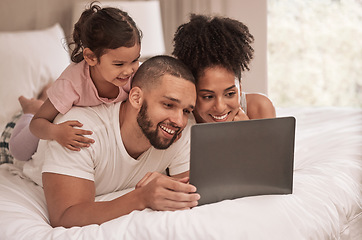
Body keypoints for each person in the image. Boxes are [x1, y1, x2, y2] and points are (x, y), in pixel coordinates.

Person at [23, 55, 200, 228]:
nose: (179, 121)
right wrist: (141, 197)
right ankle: (31, 108)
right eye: (168, 105)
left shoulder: (180, 134)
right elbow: (64, 216)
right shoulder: (80, 131)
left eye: (186, 111)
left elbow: (191, 193)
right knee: (23, 128)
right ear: (136, 98)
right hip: (29, 145)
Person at [29, 2, 142, 152]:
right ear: (90, 57)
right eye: (119, 64)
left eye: (134, 60)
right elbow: (36, 123)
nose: (129, 71)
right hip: (31, 121)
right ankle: (28, 108)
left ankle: (41, 98)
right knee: (21, 149)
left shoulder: (137, 75)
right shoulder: (71, 84)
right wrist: (57, 132)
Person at [172, 14, 276, 123]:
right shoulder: (181, 119)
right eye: (208, 97)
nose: (220, 107)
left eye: (230, 94)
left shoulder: (259, 108)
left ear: (240, 89)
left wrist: (247, 131)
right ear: (193, 94)